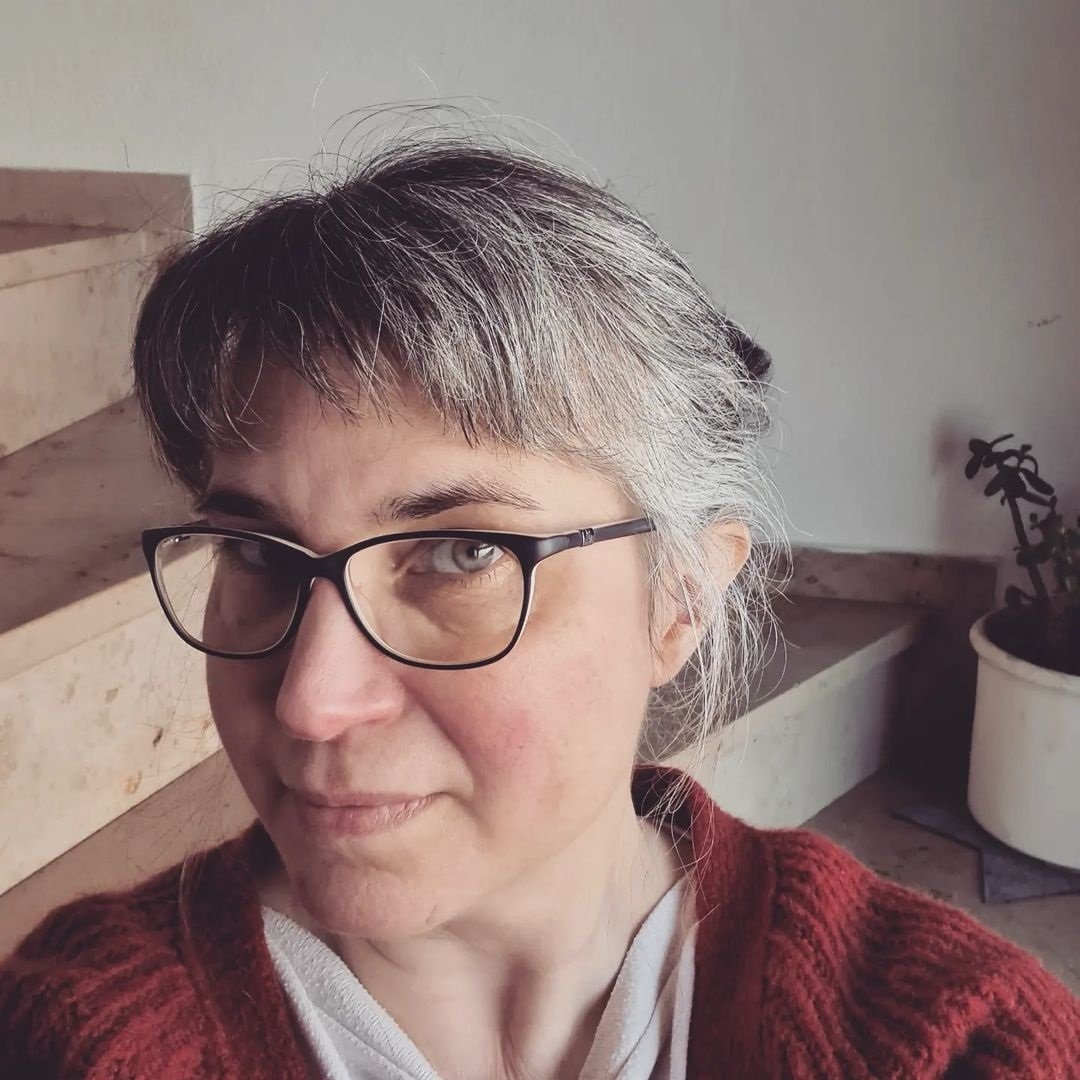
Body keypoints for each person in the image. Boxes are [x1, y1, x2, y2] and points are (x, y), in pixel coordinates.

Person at [1, 133, 1076, 1080]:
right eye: (258, 551)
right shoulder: (71, 1037)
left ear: (681, 599)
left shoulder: (958, 1043)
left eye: (460, 553)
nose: (309, 703)